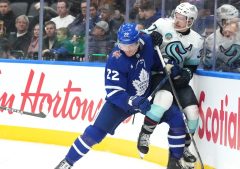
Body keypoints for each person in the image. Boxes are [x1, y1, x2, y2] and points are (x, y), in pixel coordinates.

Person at [54, 23, 190, 169]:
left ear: (138, 40)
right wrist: (132, 100)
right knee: (95, 133)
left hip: (146, 97)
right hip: (122, 103)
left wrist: (170, 67)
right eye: (123, 45)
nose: (128, 49)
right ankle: (67, 162)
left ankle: (175, 162)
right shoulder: (116, 58)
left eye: (131, 44)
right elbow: (113, 92)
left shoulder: (148, 42)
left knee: (176, 117)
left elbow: (156, 63)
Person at [137, 2, 204, 168]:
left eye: (182, 18)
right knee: (164, 99)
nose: (177, 20)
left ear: (190, 21)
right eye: (177, 16)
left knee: (193, 113)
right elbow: (140, 40)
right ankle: (145, 133)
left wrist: (187, 74)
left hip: (176, 76)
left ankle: (185, 147)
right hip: (158, 74)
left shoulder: (196, 40)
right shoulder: (161, 24)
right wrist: (149, 38)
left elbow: (191, 64)